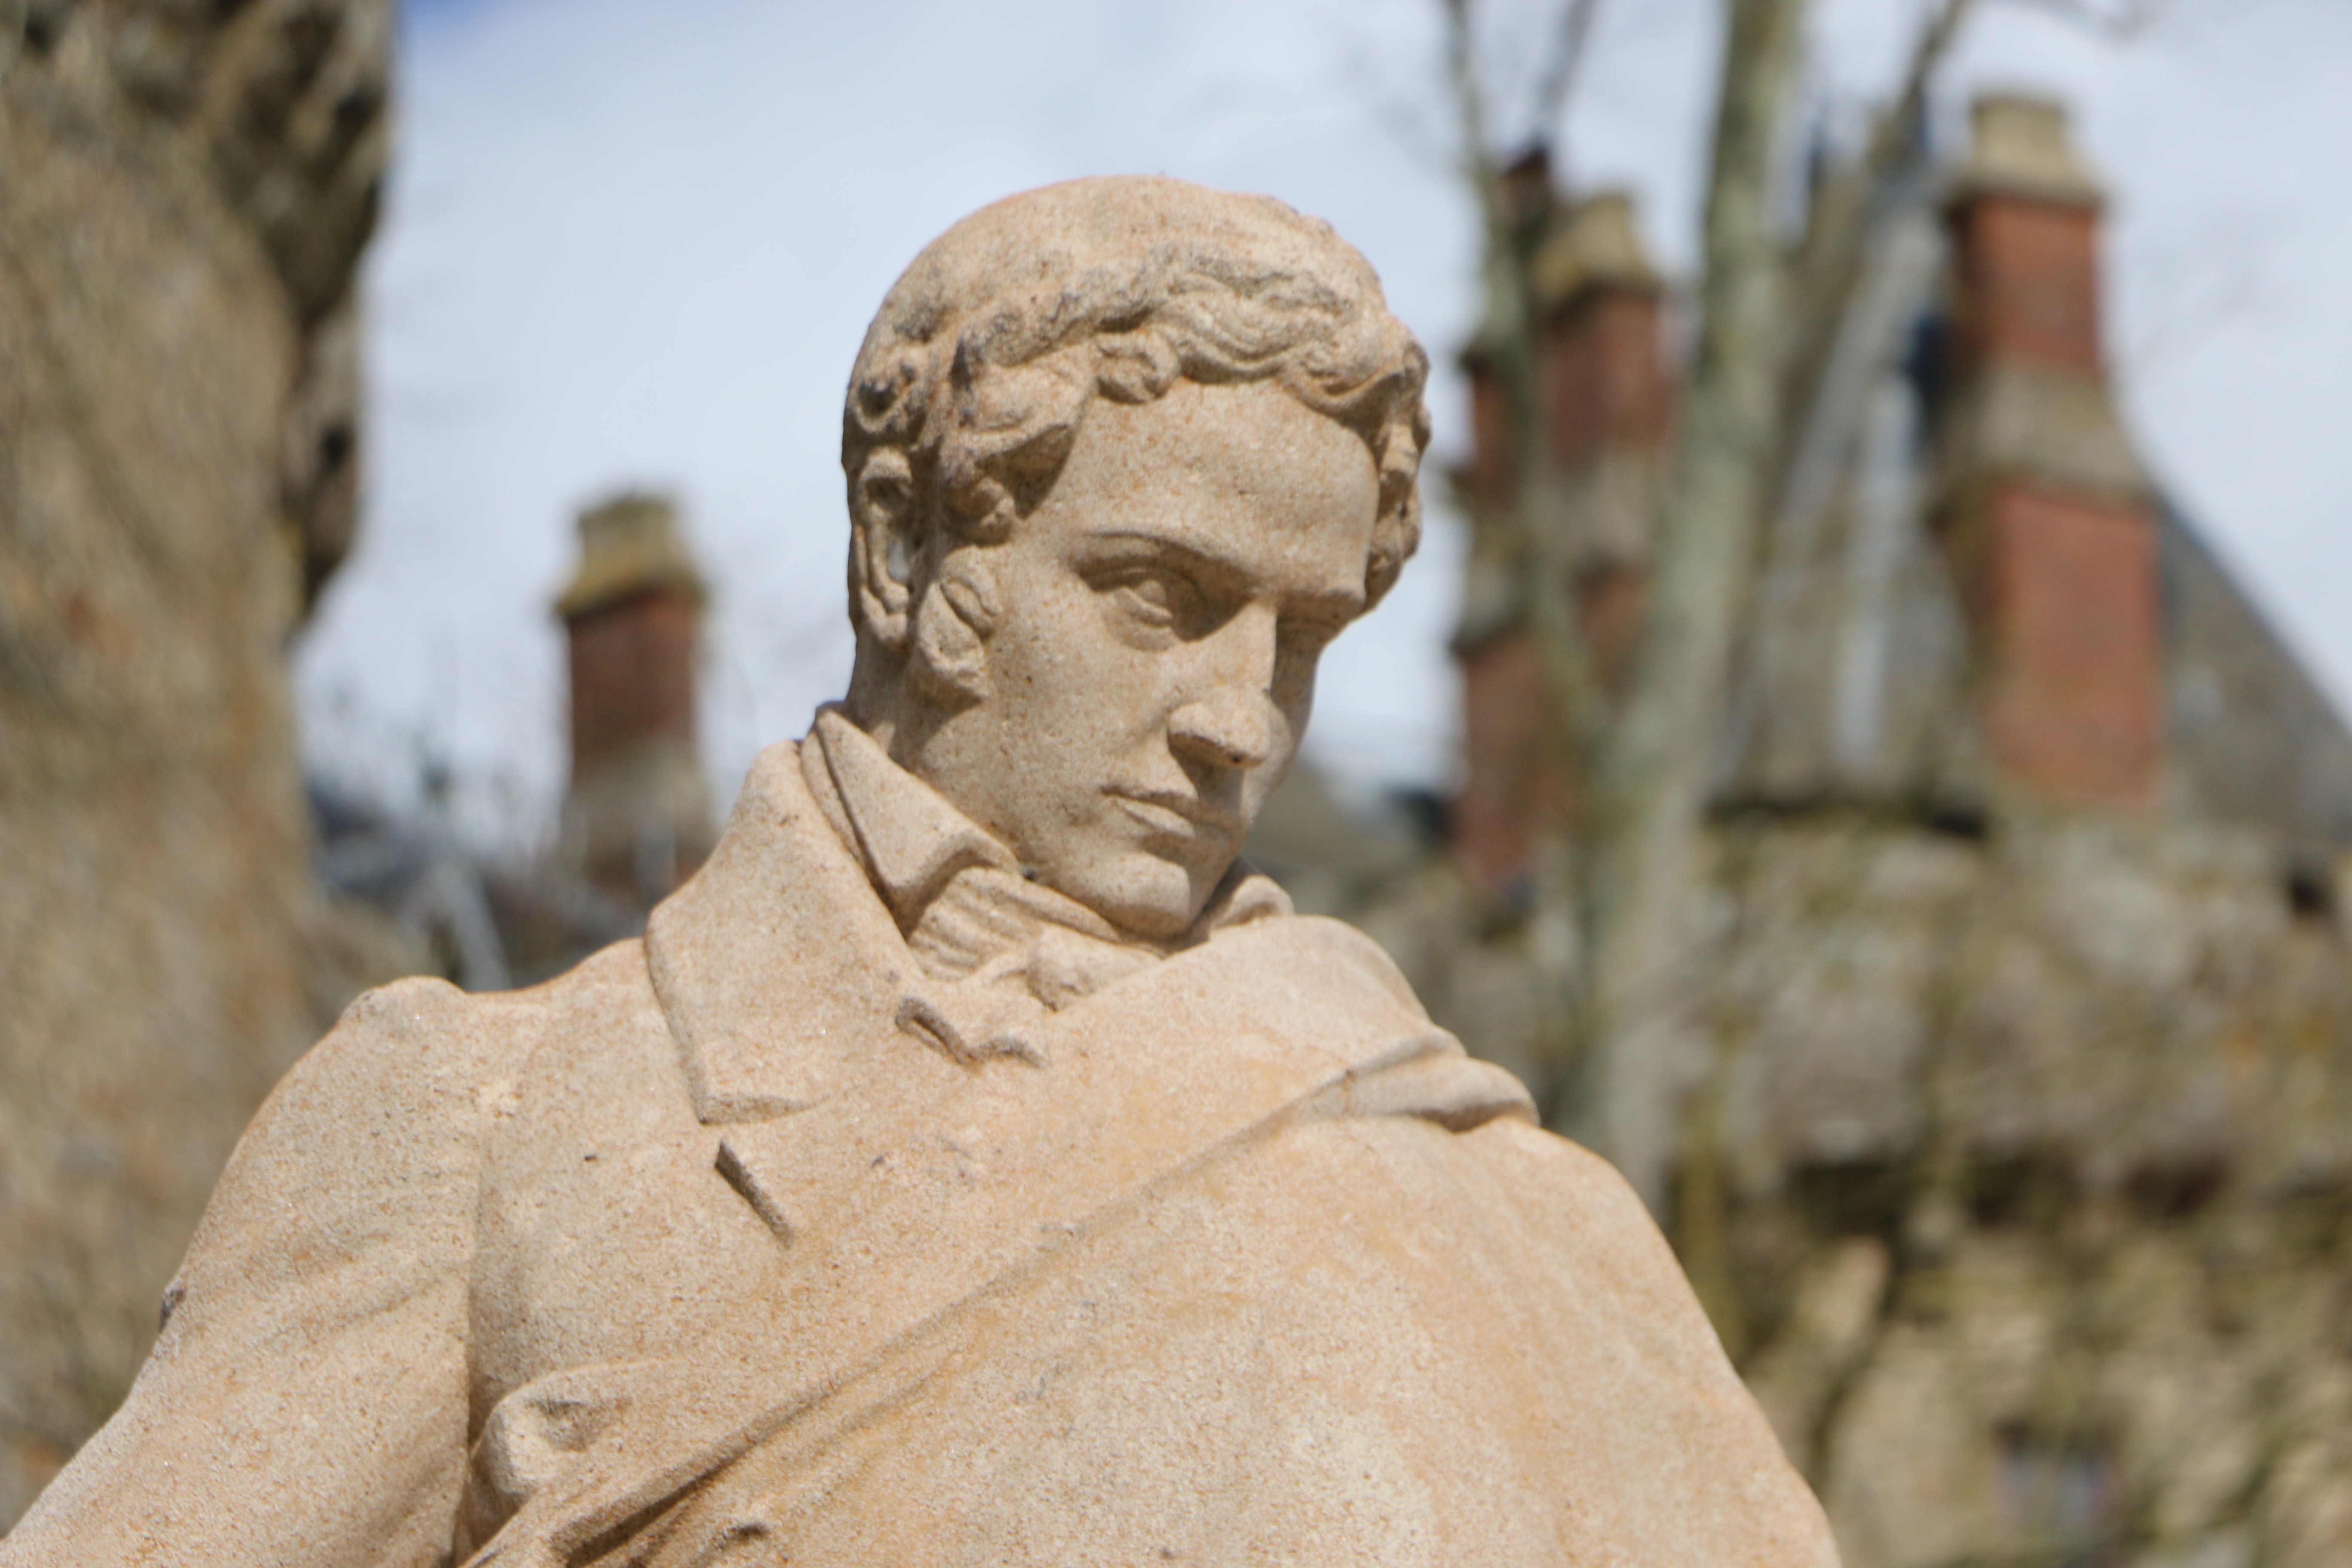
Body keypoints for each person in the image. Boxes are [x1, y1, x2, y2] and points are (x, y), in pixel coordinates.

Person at [1, 177, 1837, 1566]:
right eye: (1163, 599)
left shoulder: (1504, 1195)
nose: (1243, 723)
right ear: (904, 555)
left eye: (1300, 640)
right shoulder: (481, 1135)